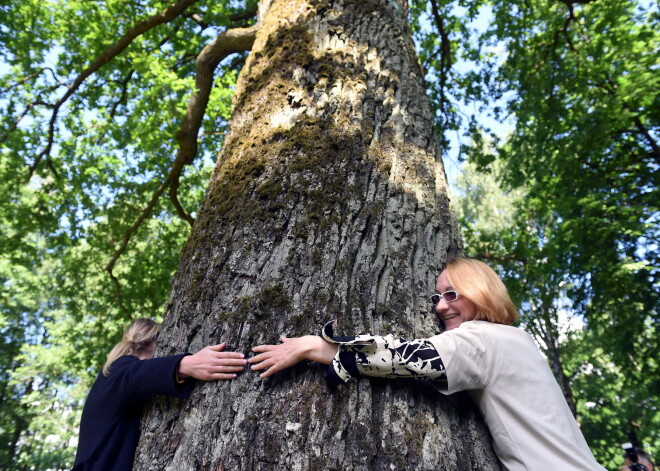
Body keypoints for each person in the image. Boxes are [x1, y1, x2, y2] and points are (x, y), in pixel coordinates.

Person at [249, 257, 606, 471]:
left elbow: (402, 360)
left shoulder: (483, 339)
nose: (439, 306)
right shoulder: (516, 339)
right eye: (437, 296)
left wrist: (315, 346)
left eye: (452, 294)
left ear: (482, 293)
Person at [72, 318, 247, 470]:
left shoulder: (112, 376)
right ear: (155, 342)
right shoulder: (119, 368)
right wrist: (187, 365)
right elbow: (135, 375)